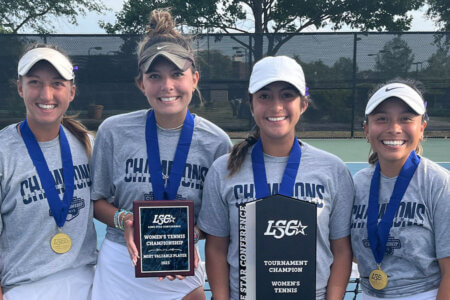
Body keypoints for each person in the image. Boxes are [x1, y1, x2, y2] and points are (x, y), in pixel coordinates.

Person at [90, 9, 232, 300]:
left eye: (177, 74)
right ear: (142, 83)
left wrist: (187, 237)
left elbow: (215, 220)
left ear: (194, 79)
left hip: (181, 266)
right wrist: (125, 220)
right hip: (122, 264)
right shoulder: (113, 131)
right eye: (155, 76)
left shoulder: (217, 142)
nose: (167, 86)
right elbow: (97, 202)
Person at [197, 56, 354, 300]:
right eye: (264, 96)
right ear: (251, 105)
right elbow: (216, 248)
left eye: (287, 95)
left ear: (303, 104)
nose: (276, 106)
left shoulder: (332, 169)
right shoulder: (223, 169)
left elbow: (341, 249)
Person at [0, 44, 97, 300]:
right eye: (35, 82)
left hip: (87, 281)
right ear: (20, 88)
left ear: (72, 91)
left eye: (57, 83)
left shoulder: (87, 144)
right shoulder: (3, 152)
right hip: (23, 288)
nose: (46, 94)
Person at [350, 81, 450, 299]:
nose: (394, 128)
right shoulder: (357, 185)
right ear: (367, 130)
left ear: (421, 128)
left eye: (406, 118)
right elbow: (355, 254)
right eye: (381, 119)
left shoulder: (439, 184)